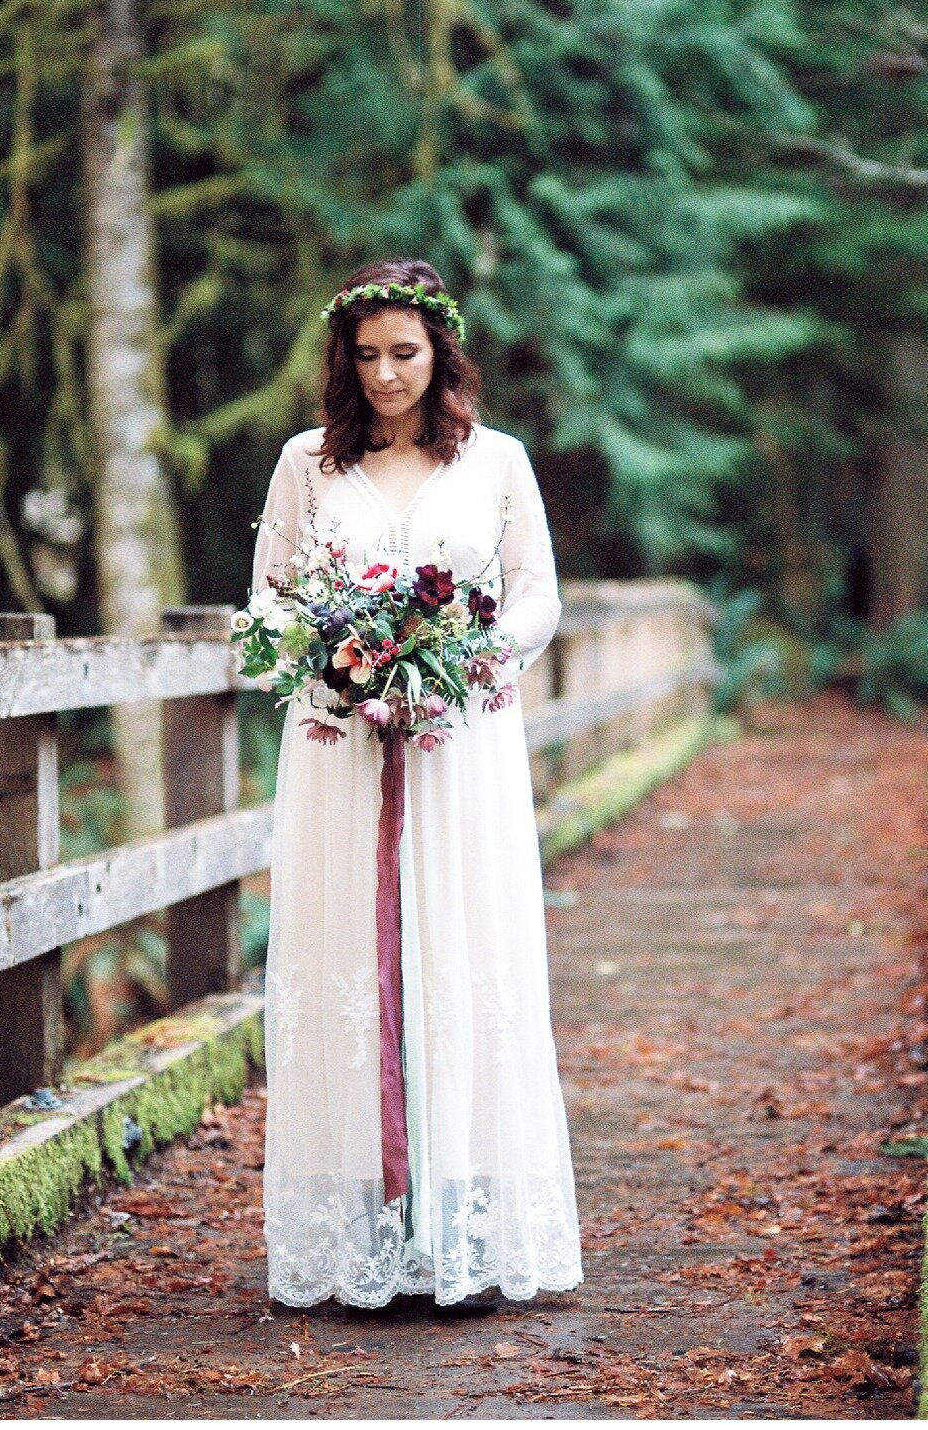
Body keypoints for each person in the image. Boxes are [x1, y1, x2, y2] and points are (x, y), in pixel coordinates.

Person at [250, 257, 584, 1313]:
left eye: (405, 351)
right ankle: (366, 1229)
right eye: (367, 354)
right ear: (343, 362)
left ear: (439, 351)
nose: (387, 372)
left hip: (458, 746)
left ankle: (460, 1227)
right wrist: (330, 658)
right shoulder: (307, 463)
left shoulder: (496, 462)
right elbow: (266, 597)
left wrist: (465, 662)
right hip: (339, 747)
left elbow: (533, 595)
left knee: (457, 948)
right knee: (352, 953)